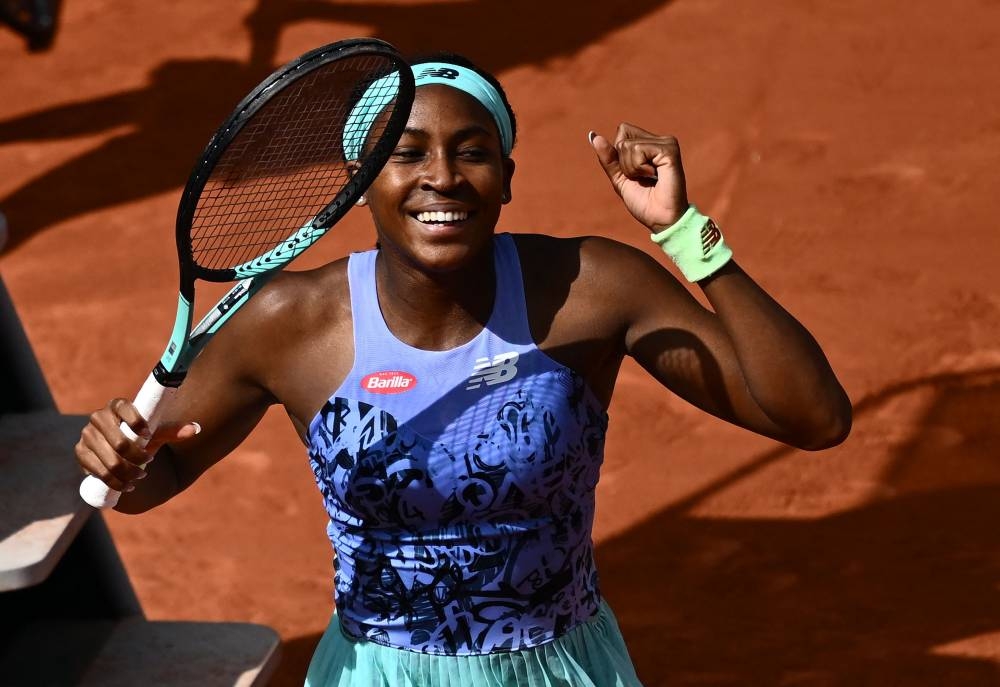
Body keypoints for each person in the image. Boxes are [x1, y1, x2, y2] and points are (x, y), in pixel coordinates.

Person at [75, 52, 852, 686]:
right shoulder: (289, 324)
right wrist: (123, 458)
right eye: (405, 153)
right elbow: (158, 471)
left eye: (471, 151)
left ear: (507, 177)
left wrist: (684, 234)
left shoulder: (591, 290)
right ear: (360, 180)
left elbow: (812, 417)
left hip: (561, 669)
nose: (441, 176)